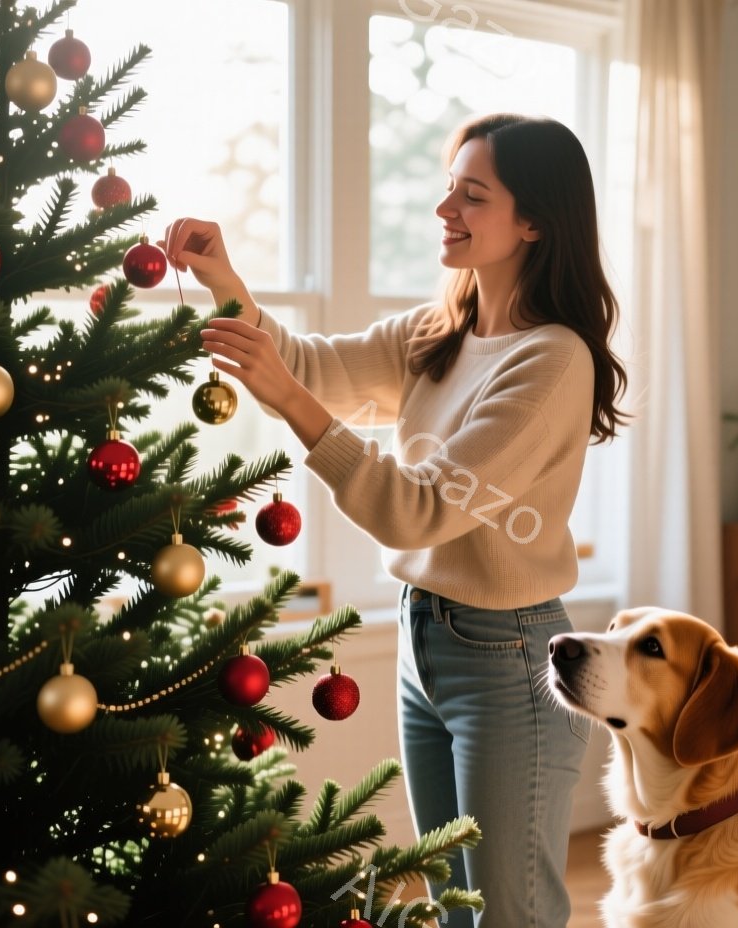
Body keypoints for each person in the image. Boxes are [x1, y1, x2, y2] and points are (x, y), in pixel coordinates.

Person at [164, 112, 629, 928]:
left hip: (507, 657)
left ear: (533, 222)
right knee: (452, 904)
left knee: (508, 917)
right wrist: (224, 280)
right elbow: (309, 367)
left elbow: (415, 510)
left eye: (472, 195)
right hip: (427, 643)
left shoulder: (552, 361)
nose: (445, 208)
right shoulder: (437, 330)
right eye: (449, 187)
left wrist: (288, 397)